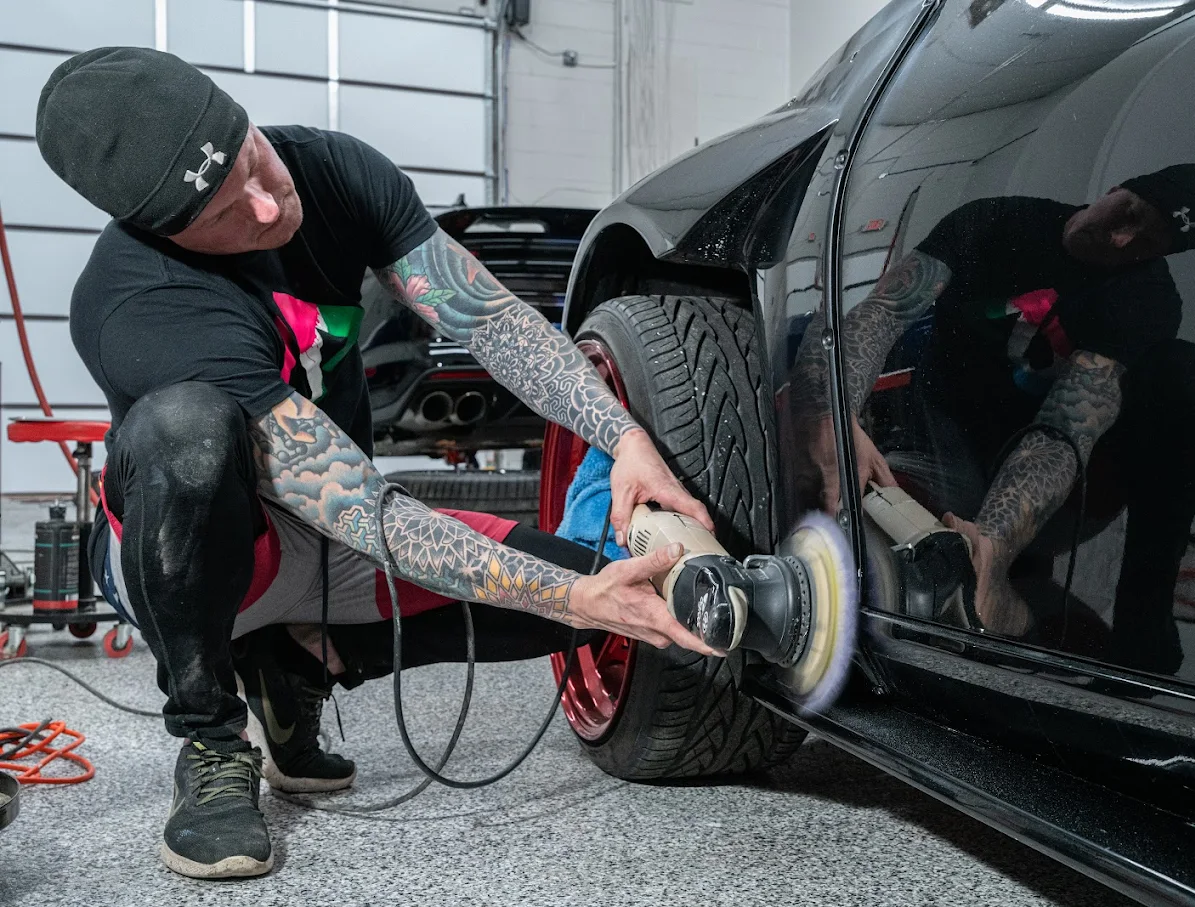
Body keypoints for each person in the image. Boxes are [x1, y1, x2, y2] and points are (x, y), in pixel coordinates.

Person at [37, 47, 719, 880]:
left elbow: (491, 322)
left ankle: (302, 662)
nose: (267, 204)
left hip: (330, 541)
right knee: (185, 429)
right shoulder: (135, 299)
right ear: (163, 233)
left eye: (253, 159)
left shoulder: (330, 170)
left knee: (608, 597)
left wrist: (625, 437)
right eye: (224, 212)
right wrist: (574, 596)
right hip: (211, 553)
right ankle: (211, 736)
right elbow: (368, 509)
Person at [792, 164, 1195, 672]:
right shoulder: (997, 221)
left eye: (1147, 243)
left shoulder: (1146, 299)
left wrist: (994, 546)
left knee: (1191, 372)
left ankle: (1136, 609)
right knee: (822, 408)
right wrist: (833, 417)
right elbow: (883, 311)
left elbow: (1065, 428)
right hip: (944, 441)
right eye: (1129, 214)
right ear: (1117, 188)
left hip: (1051, 492)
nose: (1121, 239)